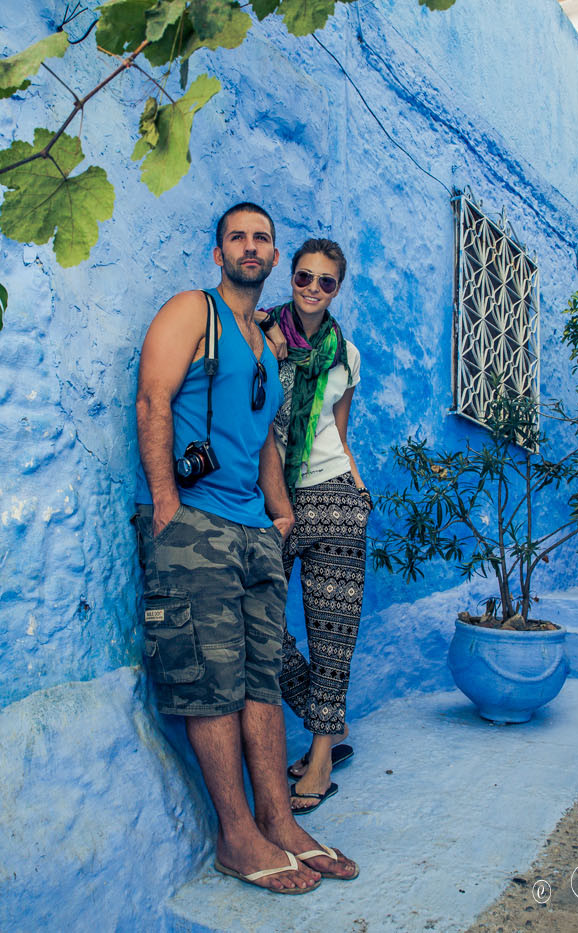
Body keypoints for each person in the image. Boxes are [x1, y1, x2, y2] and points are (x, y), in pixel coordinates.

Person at [134, 204, 359, 893]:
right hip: (196, 526)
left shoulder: (264, 343)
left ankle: (278, 819)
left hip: (255, 531)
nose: (251, 247)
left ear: (274, 254)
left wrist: (281, 513)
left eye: (262, 237)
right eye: (239, 236)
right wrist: (168, 504)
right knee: (211, 683)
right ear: (218, 252)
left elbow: (266, 437)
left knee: (261, 680)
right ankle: (236, 837)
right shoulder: (191, 311)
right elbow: (153, 400)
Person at [257, 239, 371, 816]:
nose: (312, 289)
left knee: (334, 637)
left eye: (326, 282)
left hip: (334, 496)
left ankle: (321, 754)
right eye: (305, 277)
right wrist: (268, 345)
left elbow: (338, 431)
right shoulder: (259, 333)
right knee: (258, 623)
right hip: (273, 499)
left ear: (337, 289)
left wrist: (358, 485)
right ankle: (327, 720)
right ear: (291, 275)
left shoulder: (346, 355)